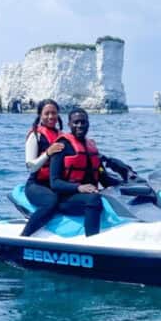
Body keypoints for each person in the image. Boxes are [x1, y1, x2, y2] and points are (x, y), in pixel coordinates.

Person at [49, 107, 116, 236]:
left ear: (88, 124)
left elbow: (104, 179)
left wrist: (125, 183)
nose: (80, 126)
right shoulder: (61, 146)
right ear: (69, 125)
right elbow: (55, 183)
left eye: (83, 122)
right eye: (76, 122)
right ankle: (92, 241)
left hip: (87, 194)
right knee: (93, 199)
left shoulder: (91, 146)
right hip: (65, 199)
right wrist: (79, 188)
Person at [21, 99, 65, 237]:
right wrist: (47, 153)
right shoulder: (35, 135)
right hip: (36, 185)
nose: (51, 117)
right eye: (47, 113)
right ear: (40, 115)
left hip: (56, 183)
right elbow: (31, 167)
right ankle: (25, 236)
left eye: (54, 113)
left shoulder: (62, 136)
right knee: (51, 202)